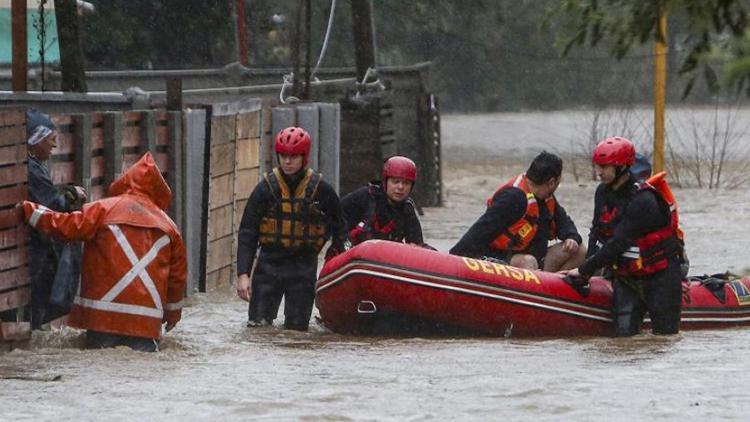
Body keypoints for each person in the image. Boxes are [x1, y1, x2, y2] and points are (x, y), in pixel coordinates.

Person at [19, 152, 187, 351]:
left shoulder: (102, 210)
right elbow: (177, 279)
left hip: (101, 317)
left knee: (99, 360)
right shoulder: (170, 227)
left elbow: (64, 226)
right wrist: (172, 315)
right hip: (145, 324)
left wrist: (29, 210)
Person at [565, 137, 685, 336]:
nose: (599, 172)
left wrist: (584, 270)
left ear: (621, 167)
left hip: (661, 278)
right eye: (598, 166)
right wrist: (590, 272)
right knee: (623, 340)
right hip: (626, 279)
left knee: (665, 339)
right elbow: (596, 233)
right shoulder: (602, 192)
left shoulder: (643, 200)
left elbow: (619, 242)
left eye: (605, 167)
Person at [235, 126, 347, 331]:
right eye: (284, 156)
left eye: (294, 157)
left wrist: (340, 266)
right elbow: (247, 232)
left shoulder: (322, 190)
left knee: (297, 332)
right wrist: (243, 274)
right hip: (269, 265)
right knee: (258, 328)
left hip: (303, 268)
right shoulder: (265, 189)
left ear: (304, 157)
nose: (287, 161)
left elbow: (340, 231)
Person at [450, 151, 586, 271]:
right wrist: (454, 260)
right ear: (551, 182)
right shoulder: (514, 198)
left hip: (538, 260)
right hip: (503, 259)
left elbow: (564, 222)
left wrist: (571, 237)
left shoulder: (546, 197)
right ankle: (534, 294)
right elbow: (480, 230)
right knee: (528, 262)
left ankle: (553, 292)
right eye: (558, 181)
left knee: (579, 250)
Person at [25, 109, 87, 329]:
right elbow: (51, 205)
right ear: (35, 140)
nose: (54, 146)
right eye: (50, 140)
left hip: (31, 248)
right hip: (34, 250)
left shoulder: (32, 166)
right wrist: (70, 197)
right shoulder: (32, 169)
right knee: (42, 294)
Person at [341, 156, 424, 247]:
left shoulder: (407, 209)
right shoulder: (365, 196)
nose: (400, 187)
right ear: (385, 182)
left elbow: (417, 244)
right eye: (395, 181)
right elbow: (335, 216)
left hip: (382, 257)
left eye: (406, 183)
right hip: (351, 252)